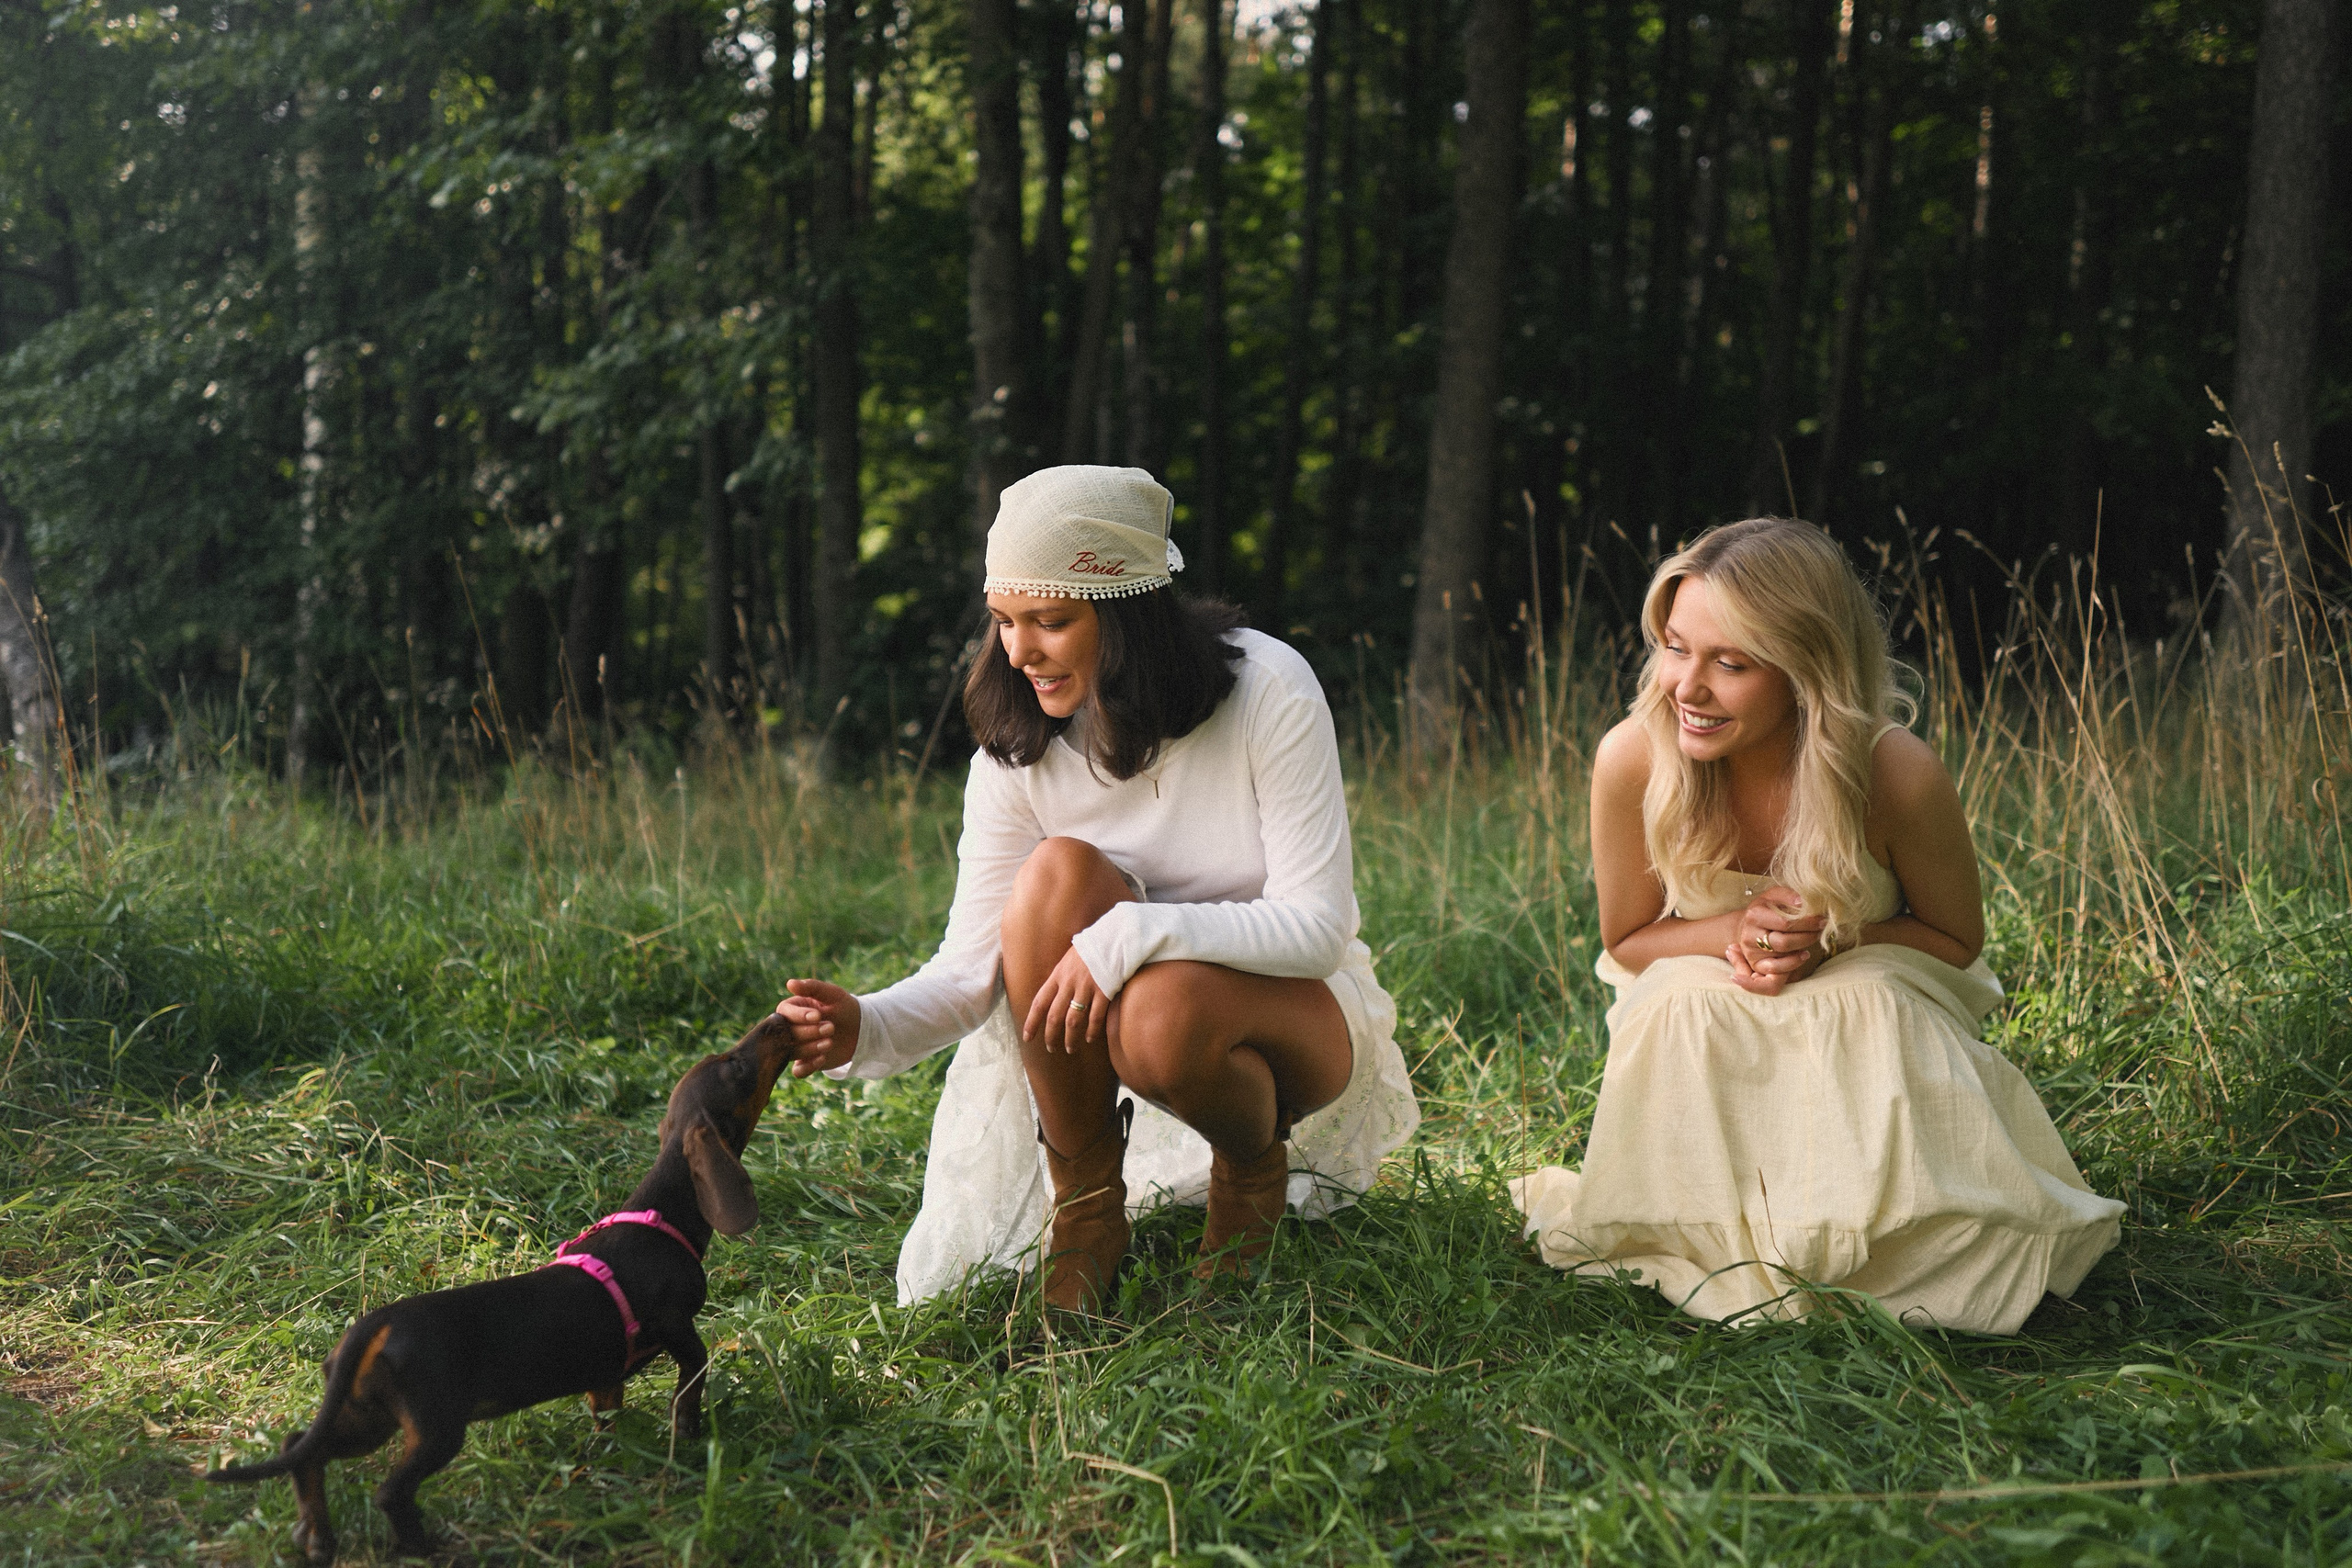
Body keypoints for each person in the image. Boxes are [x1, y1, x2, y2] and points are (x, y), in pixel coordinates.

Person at [776, 466, 1419, 1311]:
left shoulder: (1269, 688)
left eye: (1051, 621)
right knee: (1056, 876)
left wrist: (1129, 935)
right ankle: (1084, 1208)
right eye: (1004, 620)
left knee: (1163, 1012)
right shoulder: (1016, 749)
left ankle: (1251, 1171)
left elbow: (1315, 927)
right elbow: (974, 968)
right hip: (1113, 1017)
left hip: (1293, 1013)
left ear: (1127, 616)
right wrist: (867, 1021)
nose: (1018, 650)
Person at [1511, 518, 2123, 1335]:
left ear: (1808, 671)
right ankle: (1714, 1231)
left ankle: (1889, 1239)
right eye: (1675, 645)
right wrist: (1732, 930)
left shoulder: (1895, 771)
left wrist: (1833, 937)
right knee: (1681, 1002)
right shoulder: (1633, 757)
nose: (1686, 686)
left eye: (1730, 663)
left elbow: (1955, 940)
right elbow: (1626, 941)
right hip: (1710, 973)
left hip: (1868, 969)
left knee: (1872, 1006)